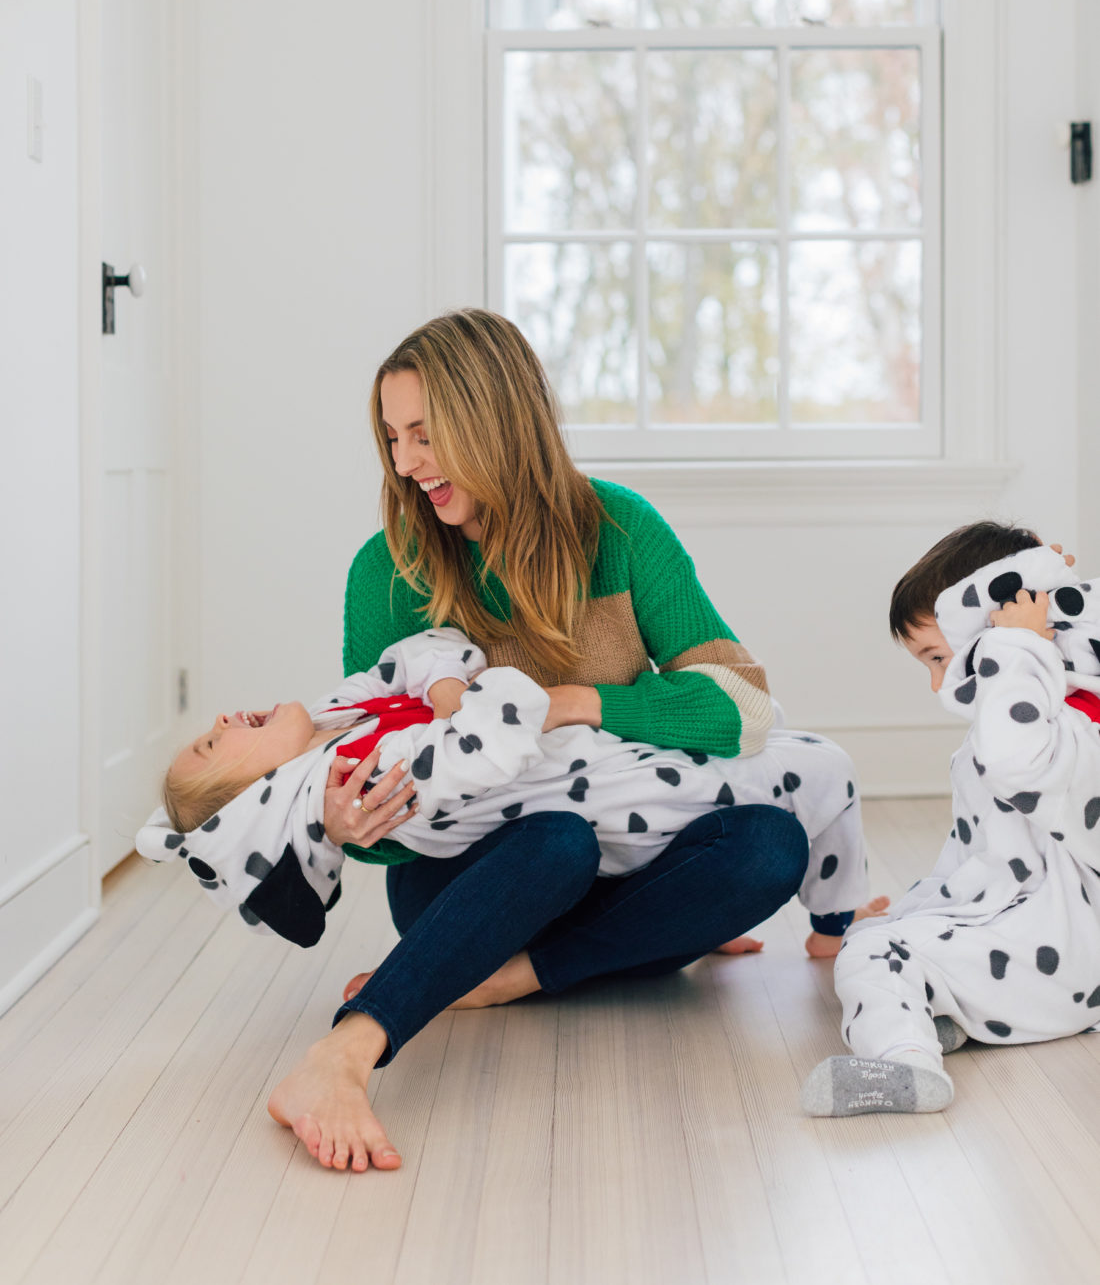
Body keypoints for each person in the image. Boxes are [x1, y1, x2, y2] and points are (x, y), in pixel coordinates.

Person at [266, 308, 817, 1173]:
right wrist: (353, 826)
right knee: (554, 843)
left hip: (630, 850)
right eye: (392, 439)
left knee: (771, 847)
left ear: (494, 420)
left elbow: (740, 703)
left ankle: (514, 971)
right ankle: (346, 1053)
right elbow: (382, 810)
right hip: (475, 876)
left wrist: (574, 701)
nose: (405, 463)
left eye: (423, 435)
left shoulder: (621, 530)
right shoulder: (387, 571)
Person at [138, 626, 871, 955]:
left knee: (795, 749)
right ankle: (836, 928)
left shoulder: (345, 718)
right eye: (213, 742)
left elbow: (427, 648)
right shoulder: (367, 782)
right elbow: (498, 737)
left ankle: (808, 918)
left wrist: (452, 683)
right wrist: (473, 700)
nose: (224, 717)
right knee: (818, 767)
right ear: (257, 793)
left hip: (611, 758)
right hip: (620, 800)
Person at [802, 524, 1100, 1118]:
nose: (939, 684)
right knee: (881, 938)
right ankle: (950, 1021)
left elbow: (1014, 765)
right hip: (1052, 943)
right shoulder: (1046, 718)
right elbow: (982, 863)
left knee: (872, 955)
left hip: (1069, 953)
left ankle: (904, 1063)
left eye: (938, 658)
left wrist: (1014, 647)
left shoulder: (1064, 730)